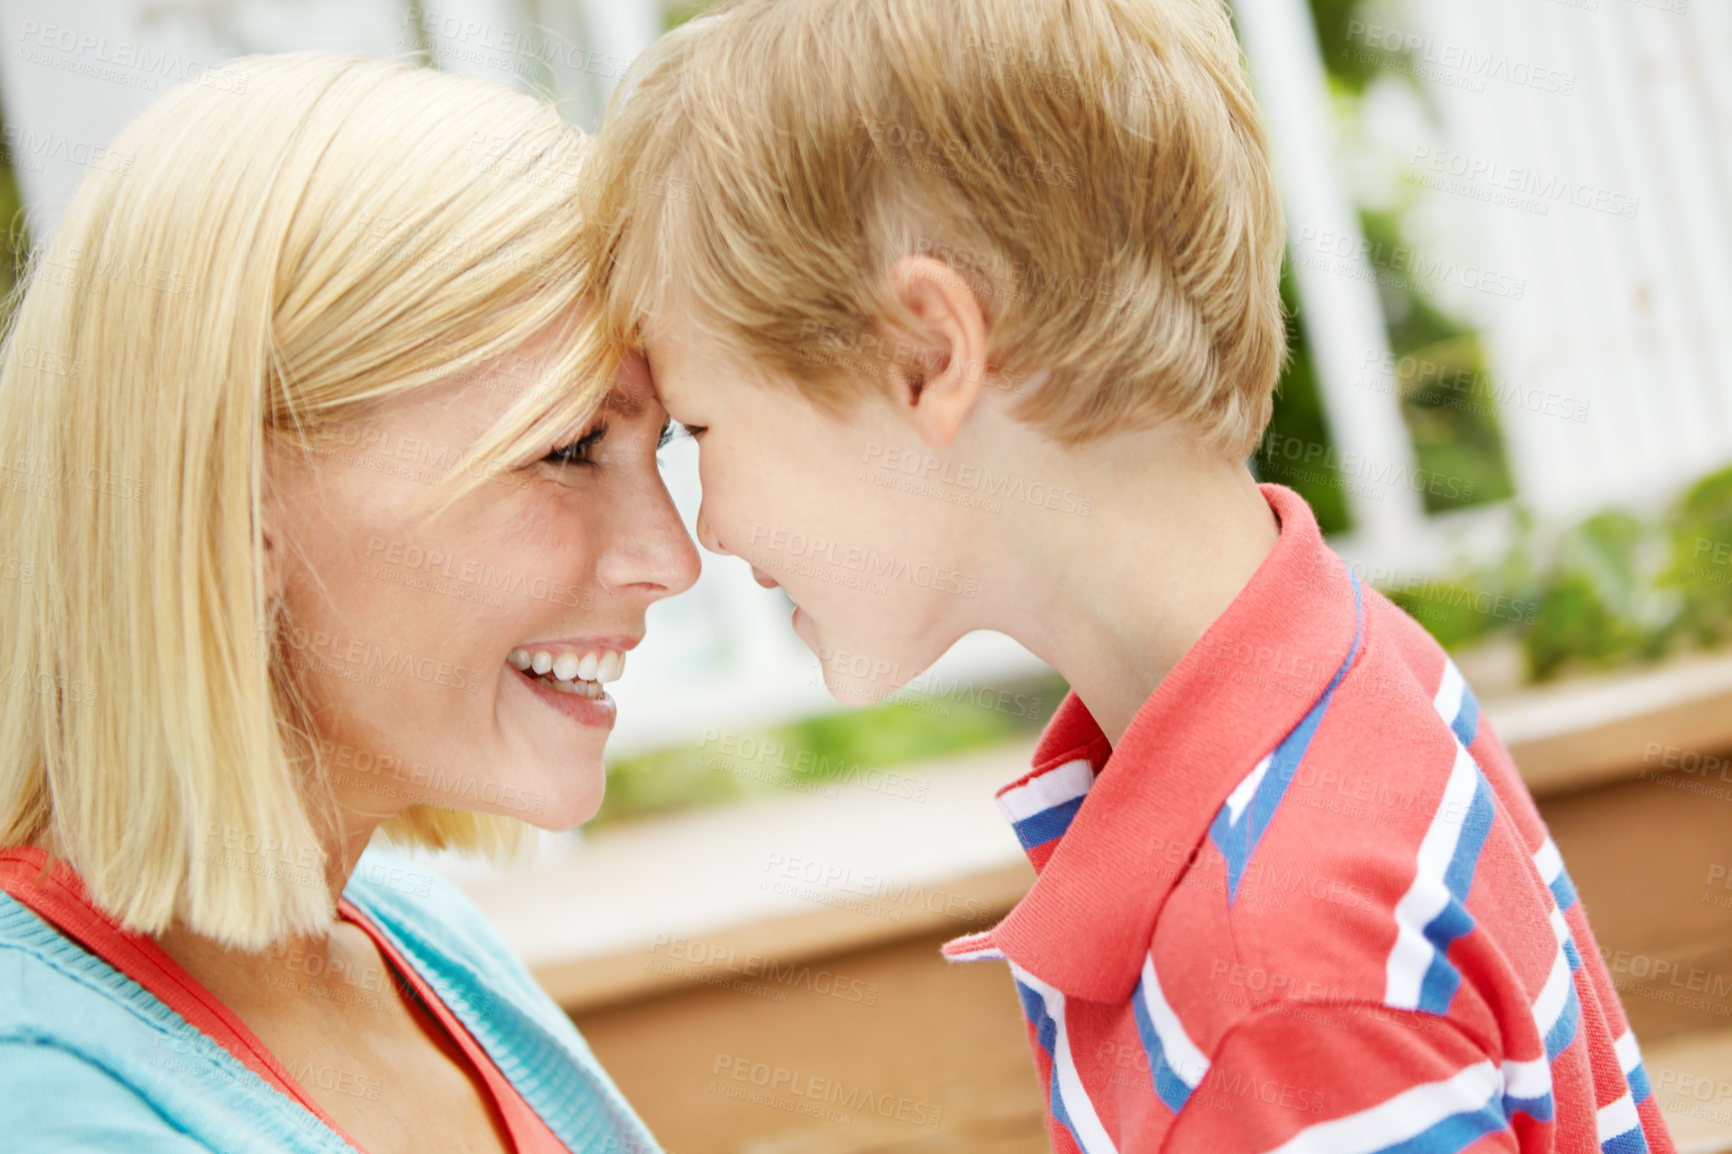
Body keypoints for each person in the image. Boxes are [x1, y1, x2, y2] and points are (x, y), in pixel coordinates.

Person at [579, 0, 1673, 1149]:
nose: (698, 528)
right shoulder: (1353, 672)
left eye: (696, 429)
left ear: (924, 355)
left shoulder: (1280, 980)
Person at [0, 52, 697, 1153]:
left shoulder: (416, 941)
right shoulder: (38, 1095)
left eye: (657, 443)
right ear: (234, 503)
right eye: (565, 446)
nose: (670, 555)